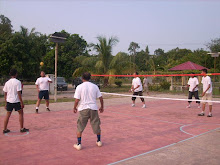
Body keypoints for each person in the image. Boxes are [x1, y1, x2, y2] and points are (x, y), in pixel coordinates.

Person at [73, 72, 104, 150]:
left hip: (83, 108)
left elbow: (77, 100)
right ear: (90, 78)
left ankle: (79, 144)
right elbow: (100, 98)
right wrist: (102, 107)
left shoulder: (79, 87)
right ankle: (99, 141)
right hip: (93, 108)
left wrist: (75, 107)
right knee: (96, 124)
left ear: (82, 78)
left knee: (80, 126)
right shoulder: (95, 86)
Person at [3, 68, 29, 134]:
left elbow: (5, 94)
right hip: (16, 101)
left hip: (9, 101)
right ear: (16, 74)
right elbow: (19, 93)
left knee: (8, 115)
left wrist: (5, 103)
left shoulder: (7, 82)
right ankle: (21, 128)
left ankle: (4, 129)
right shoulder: (18, 82)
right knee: (20, 113)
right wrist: (21, 102)